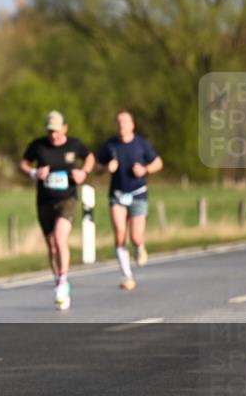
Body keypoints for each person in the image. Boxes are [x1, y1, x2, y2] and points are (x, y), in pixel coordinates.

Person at [19, 110, 95, 311]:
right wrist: (34, 172)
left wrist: (83, 172)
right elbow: (23, 164)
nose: (53, 135)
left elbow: (90, 157)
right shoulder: (38, 146)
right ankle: (59, 281)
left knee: (61, 239)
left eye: (57, 131)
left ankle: (63, 282)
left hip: (67, 199)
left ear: (65, 128)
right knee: (52, 246)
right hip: (44, 201)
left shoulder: (74, 145)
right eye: (50, 131)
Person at [96, 110, 163, 290]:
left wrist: (145, 170)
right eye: (118, 122)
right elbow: (96, 166)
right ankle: (127, 276)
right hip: (117, 194)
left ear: (132, 125)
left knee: (135, 236)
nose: (121, 125)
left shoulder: (141, 144)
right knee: (119, 233)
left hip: (138, 193)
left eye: (125, 122)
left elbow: (158, 162)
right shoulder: (110, 145)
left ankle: (140, 247)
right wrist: (106, 167)